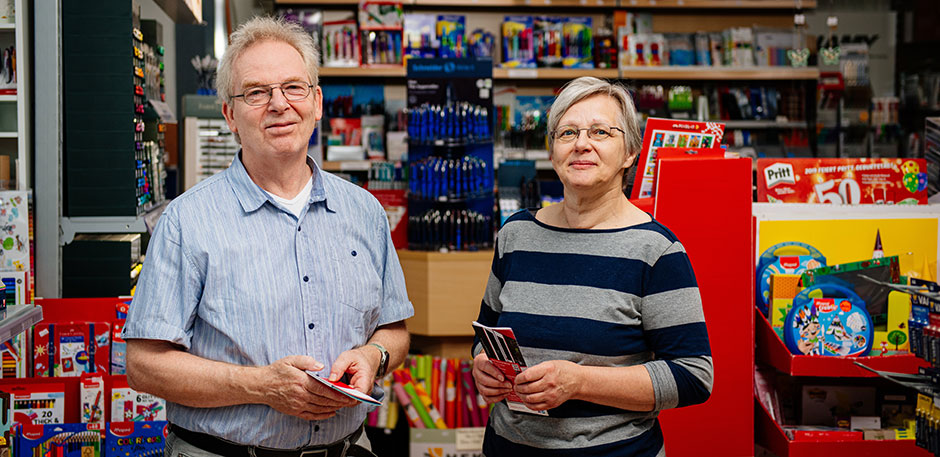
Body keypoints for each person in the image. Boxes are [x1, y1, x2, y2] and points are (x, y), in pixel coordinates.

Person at [123, 16, 413, 457]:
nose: (279, 104)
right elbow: (144, 367)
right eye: (256, 93)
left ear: (317, 102)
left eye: (293, 87)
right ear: (230, 115)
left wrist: (374, 357)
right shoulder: (187, 222)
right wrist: (261, 386)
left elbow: (394, 329)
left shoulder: (365, 212)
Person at [471, 76, 713, 456]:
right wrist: (483, 366)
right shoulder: (517, 234)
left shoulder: (656, 249)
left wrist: (579, 382)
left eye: (600, 131)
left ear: (630, 153)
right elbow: (486, 334)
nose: (582, 143)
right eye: (567, 132)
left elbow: (693, 375)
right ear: (552, 152)